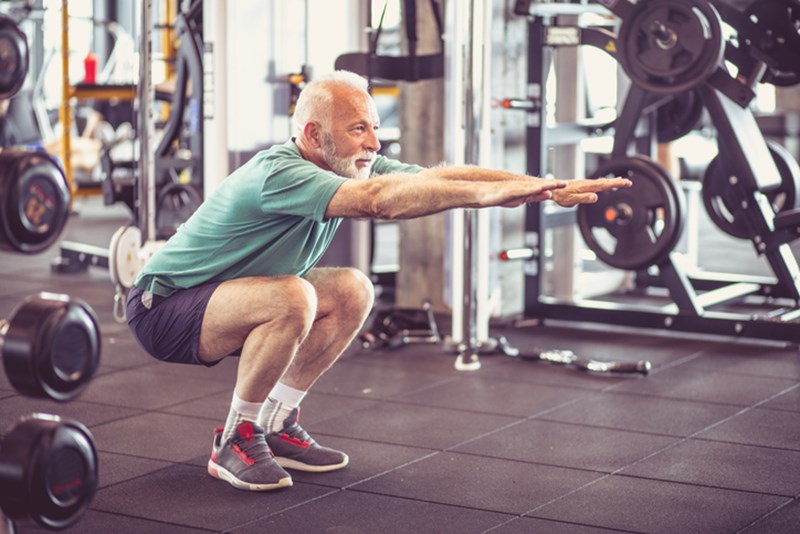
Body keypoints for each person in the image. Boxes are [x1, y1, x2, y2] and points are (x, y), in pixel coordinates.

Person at [126, 70, 631, 492]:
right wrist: (489, 198)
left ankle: (275, 422)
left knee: (352, 289)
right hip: (164, 308)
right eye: (358, 129)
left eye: (373, 127)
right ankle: (235, 438)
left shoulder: (351, 162)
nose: (375, 141)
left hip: (229, 299)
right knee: (294, 295)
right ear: (313, 137)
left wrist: (545, 188)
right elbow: (380, 202)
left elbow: (438, 180)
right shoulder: (279, 173)